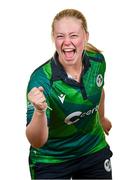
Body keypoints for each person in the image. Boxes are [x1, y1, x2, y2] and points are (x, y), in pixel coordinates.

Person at [26, 8, 113, 179]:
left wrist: (101, 118)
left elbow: (98, 91)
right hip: (52, 160)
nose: (67, 42)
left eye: (73, 35)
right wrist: (39, 111)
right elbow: (37, 141)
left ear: (85, 36)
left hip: (92, 149)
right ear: (53, 38)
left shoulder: (97, 61)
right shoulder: (41, 81)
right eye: (60, 36)